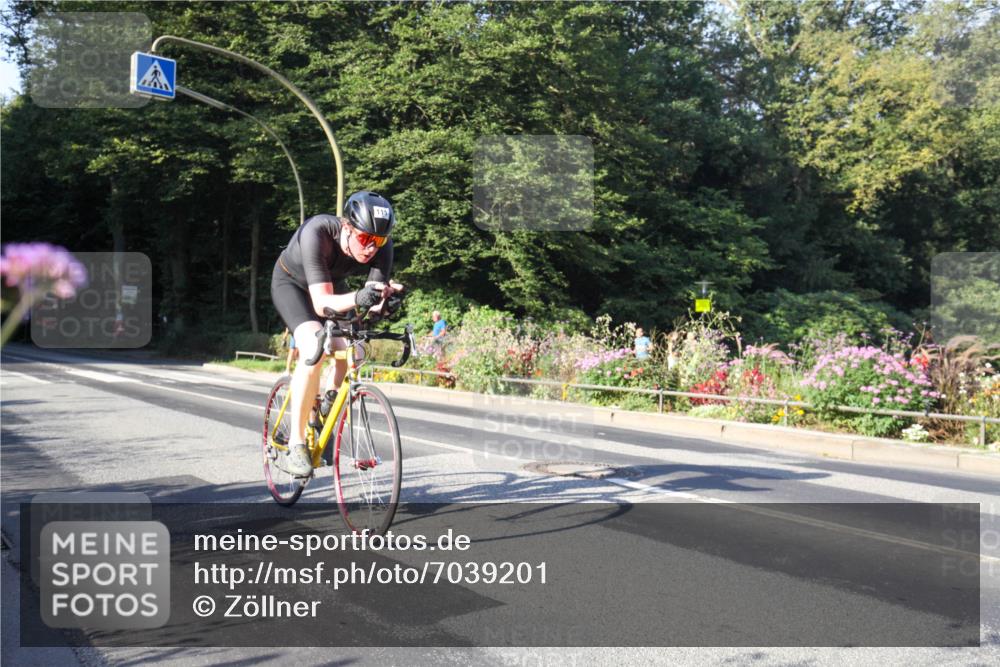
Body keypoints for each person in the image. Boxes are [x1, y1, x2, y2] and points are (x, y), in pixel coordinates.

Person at [271, 191, 403, 476]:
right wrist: (361, 297)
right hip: (293, 287)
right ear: (346, 227)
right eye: (365, 239)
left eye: (378, 241)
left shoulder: (382, 246)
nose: (371, 249)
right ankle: (296, 443)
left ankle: (325, 412)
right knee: (313, 348)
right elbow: (321, 304)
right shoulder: (317, 232)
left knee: (351, 352)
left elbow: (370, 307)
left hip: (332, 288)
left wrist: (386, 305)